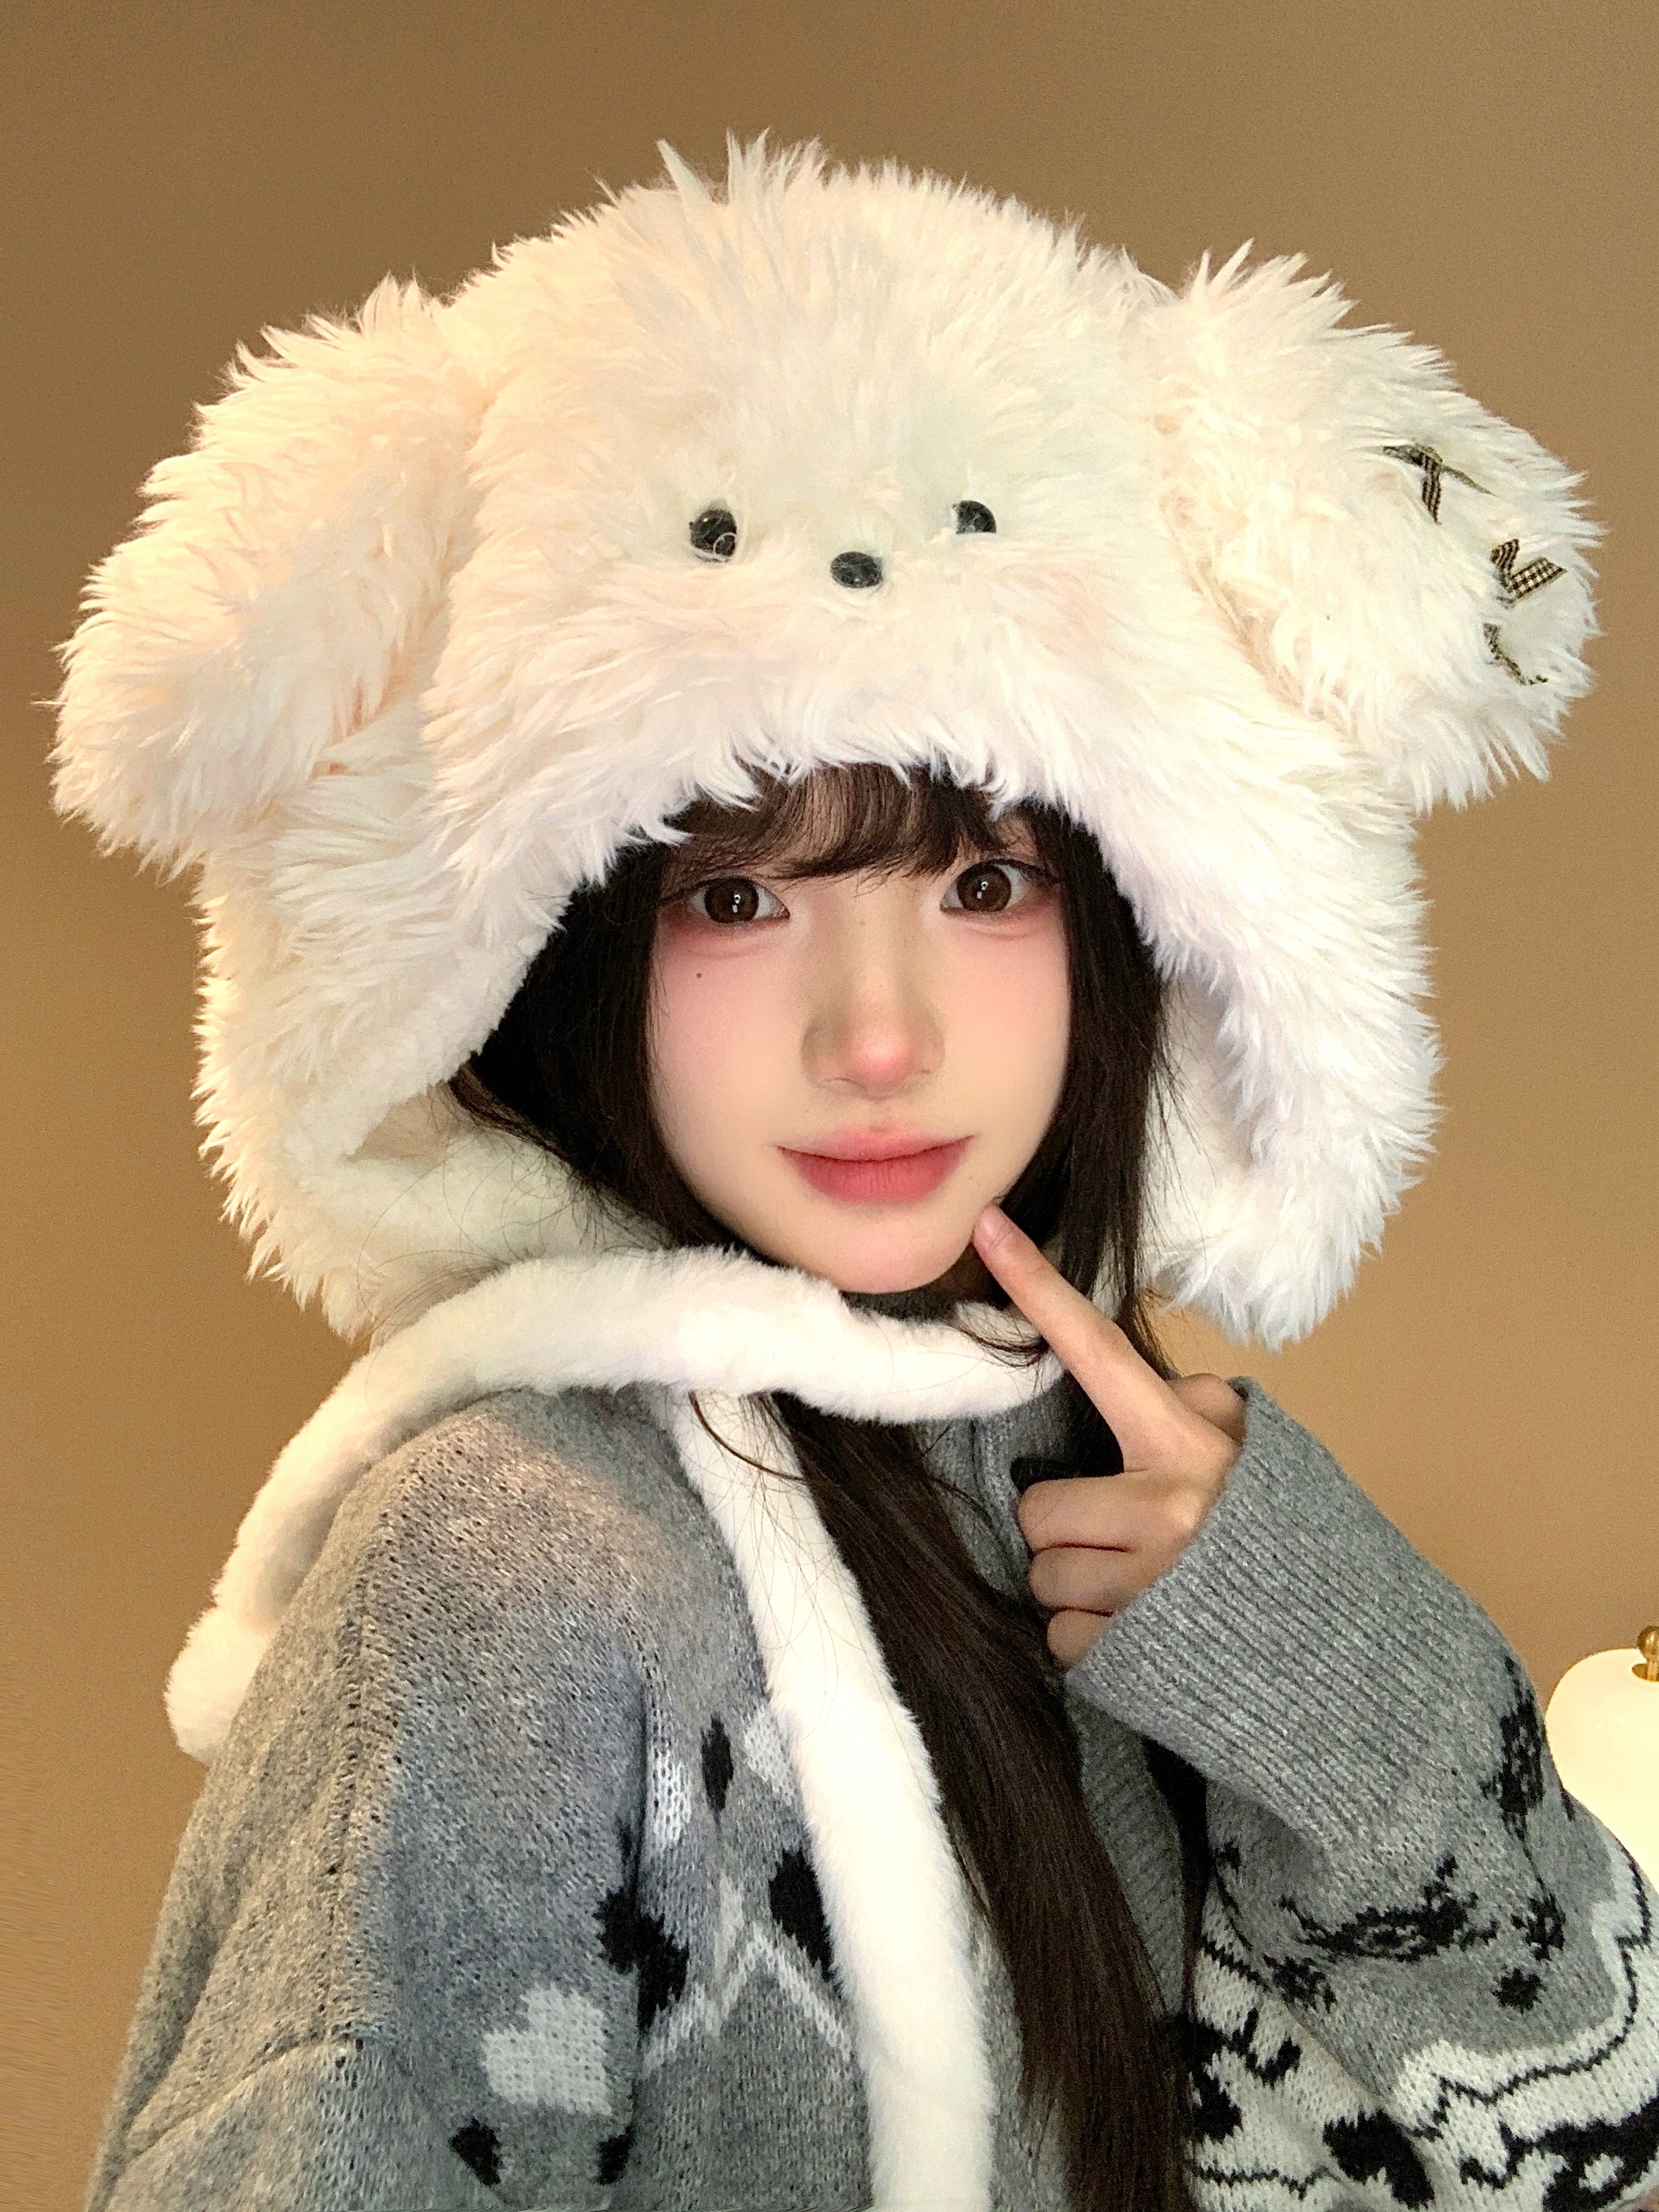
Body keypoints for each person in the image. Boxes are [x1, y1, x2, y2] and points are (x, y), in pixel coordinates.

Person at [52, 142, 1658, 2211]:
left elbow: (1583, 2147)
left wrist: (1324, 1657)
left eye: (984, 882)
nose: (880, 1039)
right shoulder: (505, 1584)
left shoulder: (1109, 1494)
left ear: (1135, 923)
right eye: (738, 896)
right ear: (563, 952)